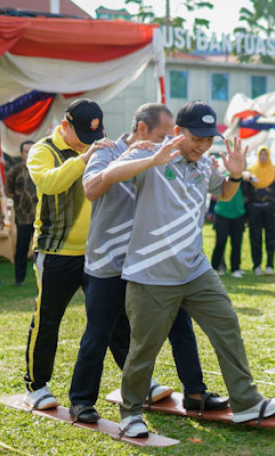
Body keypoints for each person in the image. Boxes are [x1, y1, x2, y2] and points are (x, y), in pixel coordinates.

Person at [100, 101, 275, 438]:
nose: (202, 145)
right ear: (178, 132)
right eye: (196, 138)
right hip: (150, 274)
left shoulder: (203, 166)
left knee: (227, 325)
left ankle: (245, 402)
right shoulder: (151, 155)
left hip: (196, 270)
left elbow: (225, 194)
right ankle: (131, 412)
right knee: (144, 348)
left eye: (208, 139)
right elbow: (103, 180)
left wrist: (235, 173)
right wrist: (149, 159)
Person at [68, 103, 228, 423]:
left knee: (180, 326)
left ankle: (196, 392)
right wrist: (145, 161)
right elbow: (91, 188)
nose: (169, 142)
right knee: (98, 334)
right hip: (109, 262)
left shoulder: (169, 156)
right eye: (162, 135)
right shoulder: (108, 150)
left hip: (153, 261)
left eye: (173, 136)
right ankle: (82, 401)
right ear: (141, 128)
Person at [22, 99, 110, 410]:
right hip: (55, 251)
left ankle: (140, 381)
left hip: (95, 252)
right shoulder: (43, 150)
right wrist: (85, 158)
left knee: (113, 318)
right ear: (65, 126)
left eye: (95, 135)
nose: (91, 141)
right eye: (84, 135)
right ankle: (37, 385)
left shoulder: (98, 147)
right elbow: (49, 183)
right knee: (48, 319)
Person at [245, 146, 275, 275]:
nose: (263, 157)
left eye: (265, 155)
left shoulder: (274, 171)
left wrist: (271, 199)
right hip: (254, 208)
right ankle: (256, 265)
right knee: (255, 237)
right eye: (261, 154)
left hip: (269, 207)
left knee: (271, 236)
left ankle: (270, 265)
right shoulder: (251, 171)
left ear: (268, 156)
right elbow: (246, 191)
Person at [5, 140, 37, 286]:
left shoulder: (41, 168)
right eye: (26, 151)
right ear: (22, 154)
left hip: (40, 217)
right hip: (23, 217)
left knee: (42, 249)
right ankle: (20, 279)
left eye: (32, 150)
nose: (29, 154)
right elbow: (8, 191)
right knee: (22, 249)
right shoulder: (15, 171)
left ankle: (43, 278)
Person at [211, 186, 247, 278]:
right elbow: (213, 196)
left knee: (236, 243)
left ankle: (235, 268)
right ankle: (215, 267)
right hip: (222, 214)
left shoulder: (243, 180)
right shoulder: (222, 177)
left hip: (238, 215)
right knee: (220, 243)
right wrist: (211, 211)